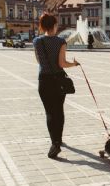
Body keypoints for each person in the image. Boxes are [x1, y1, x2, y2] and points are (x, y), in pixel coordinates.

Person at [33, 13, 80, 159]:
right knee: (59, 111)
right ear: (54, 25)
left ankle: (55, 143)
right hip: (58, 80)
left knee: (49, 112)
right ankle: (58, 139)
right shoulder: (61, 41)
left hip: (44, 80)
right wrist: (74, 64)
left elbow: (38, 61)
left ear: (42, 26)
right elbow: (62, 64)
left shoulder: (37, 41)